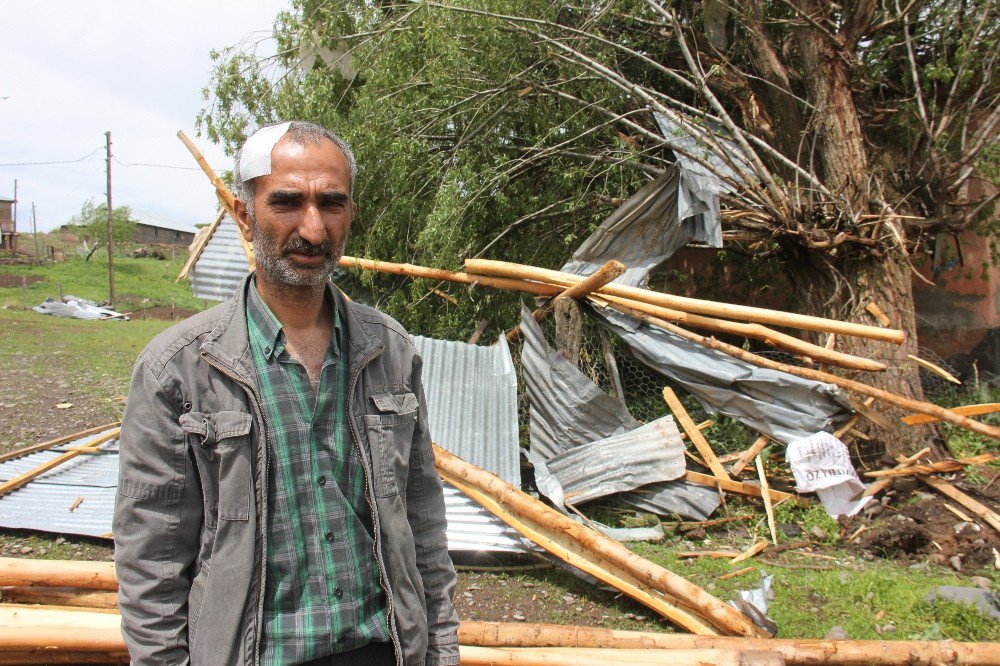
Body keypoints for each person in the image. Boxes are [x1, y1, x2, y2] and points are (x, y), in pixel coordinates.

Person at [113, 120, 459, 666]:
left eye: (332, 203)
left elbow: (422, 525)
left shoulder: (389, 352)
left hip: (382, 651)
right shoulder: (177, 369)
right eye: (288, 202)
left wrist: (439, 652)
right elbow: (151, 560)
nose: (314, 229)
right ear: (243, 215)